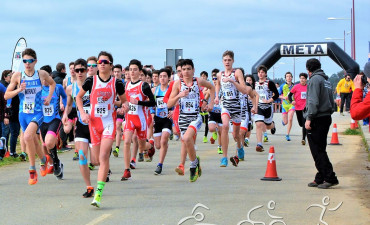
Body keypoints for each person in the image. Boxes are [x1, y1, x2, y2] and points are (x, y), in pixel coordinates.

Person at [76, 51, 126, 207]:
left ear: (111, 65)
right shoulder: (91, 81)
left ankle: (98, 194)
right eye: (100, 61)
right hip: (93, 123)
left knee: (104, 156)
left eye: (105, 61)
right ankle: (102, 174)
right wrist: (83, 113)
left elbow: (124, 102)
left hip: (108, 123)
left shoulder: (117, 83)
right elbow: (78, 97)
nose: (102, 63)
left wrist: (123, 107)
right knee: (96, 160)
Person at [5, 48, 56, 185]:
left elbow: (53, 84)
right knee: (33, 140)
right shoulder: (18, 76)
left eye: (30, 61)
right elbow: (6, 95)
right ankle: (44, 161)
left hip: (38, 112)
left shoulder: (41, 74)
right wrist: (18, 89)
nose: (27, 63)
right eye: (25, 61)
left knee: (27, 136)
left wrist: (49, 97)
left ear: (35, 61)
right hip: (23, 114)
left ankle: (32, 171)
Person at [167, 59, 215, 182]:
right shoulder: (178, 84)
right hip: (183, 118)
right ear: (181, 71)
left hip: (195, 117)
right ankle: (195, 162)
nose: (186, 72)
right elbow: (168, 104)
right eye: (184, 69)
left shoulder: (198, 81)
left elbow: (211, 87)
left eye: (189, 69)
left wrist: (210, 103)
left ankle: (193, 166)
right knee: (187, 143)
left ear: (193, 70)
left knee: (187, 138)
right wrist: (179, 95)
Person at [215, 51, 254, 167]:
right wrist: (217, 96)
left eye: (229, 60)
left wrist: (232, 81)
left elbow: (244, 89)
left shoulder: (237, 72)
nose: (227, 62)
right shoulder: (219, 74)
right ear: (222, 61)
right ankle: (224, 158)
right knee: (225, 126)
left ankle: (239, 147)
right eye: (225, 60)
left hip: (236, 106)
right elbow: (217, 84)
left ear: (233, 61)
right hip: (226, 104)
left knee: (236, 135)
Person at [64, 58, 96, 198]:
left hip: (96, 126)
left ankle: (104, 166)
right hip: (82, 126)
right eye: (77, 70)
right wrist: (65, 114)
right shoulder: (71, 88)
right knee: (82, 156)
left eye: (82, 70)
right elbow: (69, 105)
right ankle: (89, 186)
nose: (79, 73)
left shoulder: (94, 84)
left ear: (87, 70)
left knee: (96, 161)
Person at [304, 58, 338, 189]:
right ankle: (321, 176)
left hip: (316, 118)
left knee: (317, 150)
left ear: (308, 69)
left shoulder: (314, 80)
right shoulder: (326, 80)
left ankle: (330, 177)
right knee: (321, 148)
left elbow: (313, 101)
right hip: (326, 117)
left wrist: (309, 118)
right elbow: (331, 100)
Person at [121, 59, 156, 181]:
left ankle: (150, 146)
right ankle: (127, 170)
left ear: (139, 71)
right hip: (130, 118)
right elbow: (123, 101)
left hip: (141, 120)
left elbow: (153, 102)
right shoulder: (125, 85)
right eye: (130, 70)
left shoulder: (144, 86)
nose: (132, 72)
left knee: (142, 147)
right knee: (126, 142)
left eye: (135, 69)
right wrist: (121, 107)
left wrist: (139, 102)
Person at [39, 65, 67, 179]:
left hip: (54, 119)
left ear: (51, 76)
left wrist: (63, 107)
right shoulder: (38, 89)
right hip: (41, 121)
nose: (44, 80)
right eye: (42, 78)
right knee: (45, 145)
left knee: (50, 141)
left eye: (46, 78)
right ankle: (57, 162)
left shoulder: (57, 87)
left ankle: (55, 163)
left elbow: (65, 97)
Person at [152, 68, 172, 175]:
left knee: (164, 140)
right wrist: (151, 115)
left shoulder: (172, 90)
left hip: (168, 119)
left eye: (165, 76)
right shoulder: (155, 90)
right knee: (158, 146)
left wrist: (173, 111)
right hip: (157, 118)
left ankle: (160, 165)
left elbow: (177, 102)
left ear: (168, 78)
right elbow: (152, 104)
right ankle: (164, 145)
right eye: (161, 76)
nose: (162, 78)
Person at [254, 65, 278, 152]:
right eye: (259, 72)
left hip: (268, 107)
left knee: (268, 126)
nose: (260, 74)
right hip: (259, 106)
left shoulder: (269, 83)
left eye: (262, 72)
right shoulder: (255, 84)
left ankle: (273, 125)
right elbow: (253, 95)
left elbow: (276, 95)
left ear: (265, 74)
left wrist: (269, 101)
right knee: (259, 124)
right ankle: (259, 144)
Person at [1, 70, 20, 158]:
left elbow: (9, 99)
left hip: (11, 113)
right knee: (11, 133)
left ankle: (7, 152)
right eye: (10, 75)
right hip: (11, 113)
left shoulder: (9, 86)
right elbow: (8, 99)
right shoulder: (7, 86)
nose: (11, 76)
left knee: (9, 133)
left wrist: (6, 113)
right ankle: (9, 152)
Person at [288, 73, 308, 145]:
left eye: (303, 78)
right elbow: (289, 95)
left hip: (306, 107)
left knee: (304, 122)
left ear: (306, 79)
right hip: (298, 107)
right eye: (301, 78)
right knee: (301, 123)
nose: (302, 80)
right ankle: (305, 131)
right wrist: (291, 101)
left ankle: (303, 138)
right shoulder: (296, 87)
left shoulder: (308, 87)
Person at [208, 73, 223, 154]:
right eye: (213, 79)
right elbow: (204, 96)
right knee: (211, 129)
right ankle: (215, 130)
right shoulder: (209, 88)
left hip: (221, 113)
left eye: (216, 79)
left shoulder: (223, 89)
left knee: (221, 132)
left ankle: (219, 147)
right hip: (212, 112)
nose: (214, 81)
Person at [279, 72, 295, 141]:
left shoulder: (295, 86)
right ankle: (284, 122)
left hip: (292, 104)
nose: (289, 78)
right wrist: (283, 97)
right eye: (287, 76)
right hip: (284, 105)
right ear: (285, 78)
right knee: (285, 122)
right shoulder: (282, 86)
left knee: (290, 118)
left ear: (292, 77)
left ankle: (287, 134)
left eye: (290, 76)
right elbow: (277, 95)